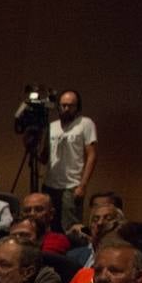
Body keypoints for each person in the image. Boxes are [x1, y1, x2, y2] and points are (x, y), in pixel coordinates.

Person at [39, 90, 98, 229]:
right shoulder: (52, 126)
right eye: (63, 105)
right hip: (50, 184)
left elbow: (92, 155)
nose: (66, 109)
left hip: (71, 185)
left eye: (70, 105)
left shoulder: (85, 123)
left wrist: (82, 185)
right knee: (48, 225)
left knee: (70, 227)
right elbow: (44, 157)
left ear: (77, 107)